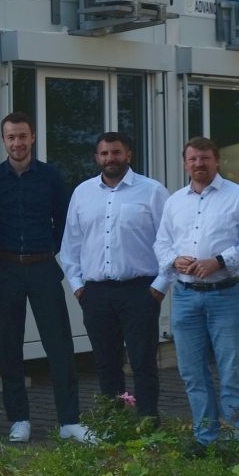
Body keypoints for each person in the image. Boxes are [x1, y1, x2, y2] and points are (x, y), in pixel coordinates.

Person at [154, 136, 239, 451]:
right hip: (186, 296)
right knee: (192, 373)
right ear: (185, 164)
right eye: (192, 159)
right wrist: (173, 260)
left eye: (204, 158)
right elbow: (162, 243)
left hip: (227, 295)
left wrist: (219, 261)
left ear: (217, 161)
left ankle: (234, 441)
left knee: (231, 372)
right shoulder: (175, 201)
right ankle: (205, 438)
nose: (199, 164)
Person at [0, 113, 86, 444]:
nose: (17, 143)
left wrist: (49, 249)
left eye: (23, 136)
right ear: (4, 140)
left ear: (33, 137)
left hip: (43, 267)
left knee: (59, 345)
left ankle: (69, 421)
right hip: (6, 268)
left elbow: (64, 222)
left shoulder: (51, 176)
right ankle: (19, 419)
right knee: (9, 346)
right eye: (11, 137)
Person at [60, 132, 171, 420]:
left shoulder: (152, 191)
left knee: (143, 363)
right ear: (97, 158)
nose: (111, 158)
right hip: (95, 294)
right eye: (105, 153)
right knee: (106, 364)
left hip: (140, 291)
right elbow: (71, 244)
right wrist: (78, 287)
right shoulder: (82, 193)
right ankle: (115, 424)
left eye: (116, 152)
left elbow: (171, 241)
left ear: (128, 155)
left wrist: (160, 286)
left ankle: (148, 425)